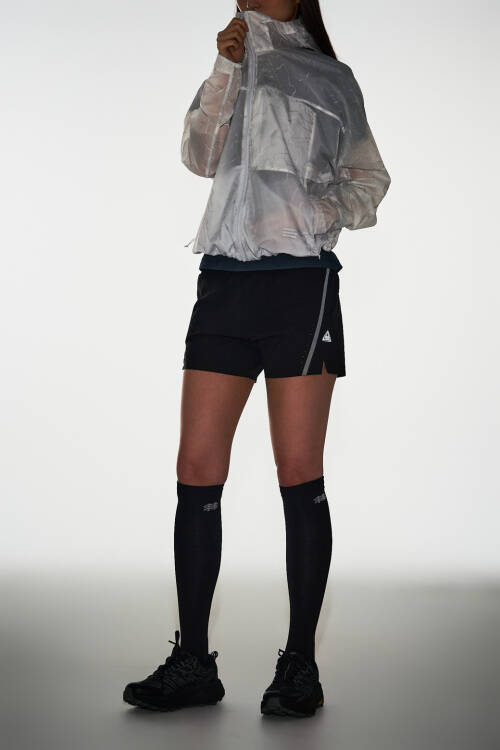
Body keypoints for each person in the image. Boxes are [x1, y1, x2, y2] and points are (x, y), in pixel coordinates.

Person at [123, 0, 391, 719]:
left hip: (299, 287)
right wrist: (225, 66)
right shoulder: (233, 59)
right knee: (195, 468)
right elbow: (200, 158)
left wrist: (319, 213)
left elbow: (369, 178)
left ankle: (300, 662)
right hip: (224, 281)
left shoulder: (330, 76)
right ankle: (193, 662)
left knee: (298, 472)